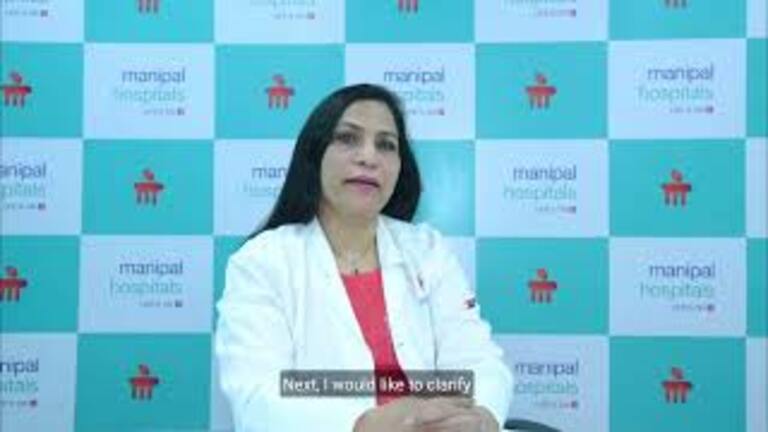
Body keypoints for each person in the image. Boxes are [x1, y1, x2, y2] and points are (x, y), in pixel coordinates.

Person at [215, 83, 512, 431]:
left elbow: (477, 359)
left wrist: (481, 417)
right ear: (315, 154)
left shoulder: (427, 250)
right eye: (347, 138)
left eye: (386, 145)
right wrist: (366, 424)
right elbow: (258, 399)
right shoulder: (261, 262)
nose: (369, 157)